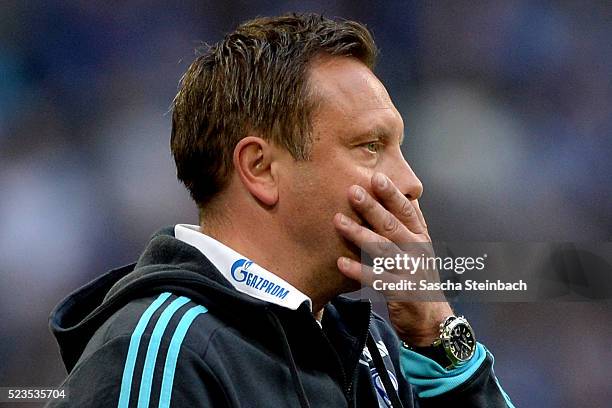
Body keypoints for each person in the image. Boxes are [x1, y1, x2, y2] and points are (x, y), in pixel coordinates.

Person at [48, 13, 515, 408]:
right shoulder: (159, 353)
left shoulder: (375, 349)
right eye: (370, 146)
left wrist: (439, 340)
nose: (412, 183)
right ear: (260, 169)